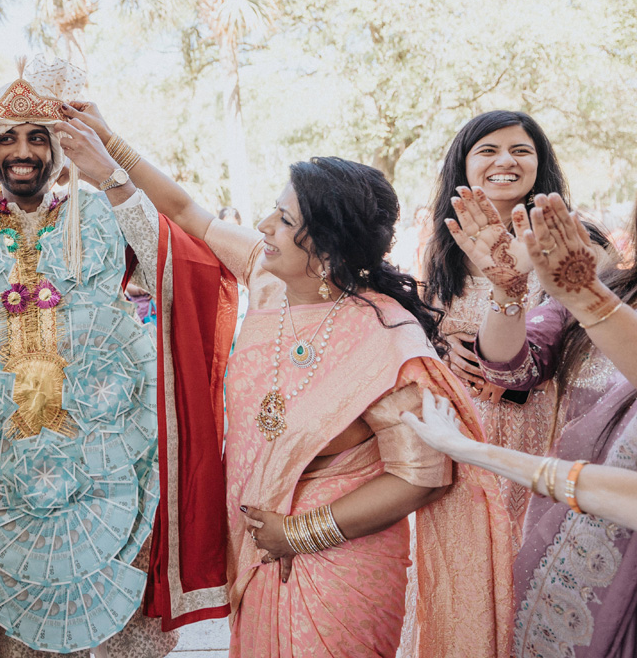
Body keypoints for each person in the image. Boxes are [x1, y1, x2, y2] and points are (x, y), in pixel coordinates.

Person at [62, 101, 513, 657]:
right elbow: (186, 210)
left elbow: (422, 475)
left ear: (323, 249)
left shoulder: (386, 337)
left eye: (283, 220)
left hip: (342, 568)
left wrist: (300, 533)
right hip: (260, 550)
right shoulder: (268, 280)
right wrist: (110, 146)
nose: (263, 226)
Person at [0, 56, 179, 656]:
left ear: (61, 149)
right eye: (9, 138)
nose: (23, 151)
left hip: (99, 448)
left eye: (38, 138)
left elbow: (170, 277)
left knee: (107, 614)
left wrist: (115, 175)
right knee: (15, 628)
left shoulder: (97, 212)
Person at [409, 189, 637, 656]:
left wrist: (590, 299)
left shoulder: (597, 292)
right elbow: (511, 367)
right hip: (565, 539)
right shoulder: (612, 284)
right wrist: (508, 289)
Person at [420, 111, 599, 547]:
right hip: (459, 438)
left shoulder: (574, 238)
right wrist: (443, 349)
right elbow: (422, 330)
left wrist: (518, 373)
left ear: (541, 164)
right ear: (462, 164)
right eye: (488, 150)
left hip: (545, 437)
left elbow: (596, 346)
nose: (507, 160)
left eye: (521, 150)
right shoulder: (442, 248)